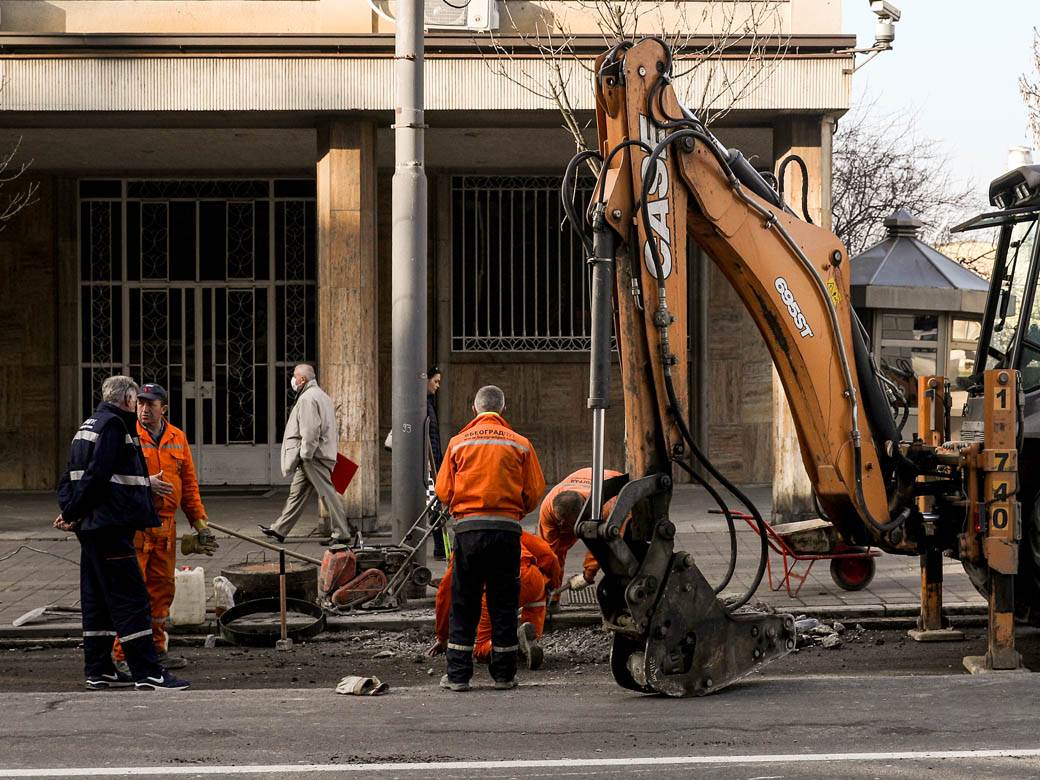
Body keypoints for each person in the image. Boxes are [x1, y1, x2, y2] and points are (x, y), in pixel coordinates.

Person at [55, 375, 189, 690]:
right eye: (136, 401)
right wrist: (74, 512)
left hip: (91, 528)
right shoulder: (115, 427)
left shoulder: (87, 426)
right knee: (132, 599)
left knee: (97, 600)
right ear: (128, 400)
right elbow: (98, 476)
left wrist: (70, 512)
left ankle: (99, 669)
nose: (138, 407)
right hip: (111, 527)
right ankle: (149, 672)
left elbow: (70, 476)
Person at [435, 385, 545, 692]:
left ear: (474, 409)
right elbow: (535, 490)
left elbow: (444, 491)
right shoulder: (520, 444)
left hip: (469, 532)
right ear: (503, 409)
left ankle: (458, 677)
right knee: (503, 603)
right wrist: (515, 511)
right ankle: (504, 675)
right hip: (506, 532)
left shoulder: (458, 444)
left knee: (465, 601)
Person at [112, 383, 217, 672]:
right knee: (134, 593)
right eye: (141, 404)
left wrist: (200, 524)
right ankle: (122, 656)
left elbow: (190, 486)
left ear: (164, 408)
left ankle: (157, 650)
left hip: (165, 528)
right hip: (136, 527)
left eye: (151, 404)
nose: (145, 409)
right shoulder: (127, 435)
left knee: (162, 593)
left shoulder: (177, 438)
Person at [429, 530, 560, 670]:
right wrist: (552, 585)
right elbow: (549, 556)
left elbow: (445, 592)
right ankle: (531, 642)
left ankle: (515, 641)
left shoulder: (466, 540)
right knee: (531, 618)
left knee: (481, 648)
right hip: (533, 578)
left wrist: (442, 636)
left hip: (500, 584)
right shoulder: (512, 528)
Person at [260, 364, 357, 547]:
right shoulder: (322, 396)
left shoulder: (307, 399)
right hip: (317, 454)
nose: (293, 380)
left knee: (327, 494)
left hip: (313, 457)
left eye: (295, 376)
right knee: (296, 494)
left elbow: (310, 431)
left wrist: (305, 454)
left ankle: (342, 533)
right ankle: (280, 529)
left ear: (302, 379)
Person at [539, 467, 624, 593]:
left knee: (617, 554)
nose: (561, 524)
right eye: (559, 520)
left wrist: (588, 575)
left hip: (618, 488)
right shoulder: (548, 508)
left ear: (581, 515)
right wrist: (547, 587)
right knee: (551, 555)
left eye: (567, 522)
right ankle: (551, 596)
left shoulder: (605, 508)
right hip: (585, 478)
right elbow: (548, 552)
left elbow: (603, 547)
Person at [425, 366, 447, 560]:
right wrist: (431, 464)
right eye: (436, 381)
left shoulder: (428, 403)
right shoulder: (422, 404)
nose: (438, 386)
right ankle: (439, 547)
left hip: (433, 462)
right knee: (434, 504)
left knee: (434, 503)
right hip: (428, 464)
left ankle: (440, 546)